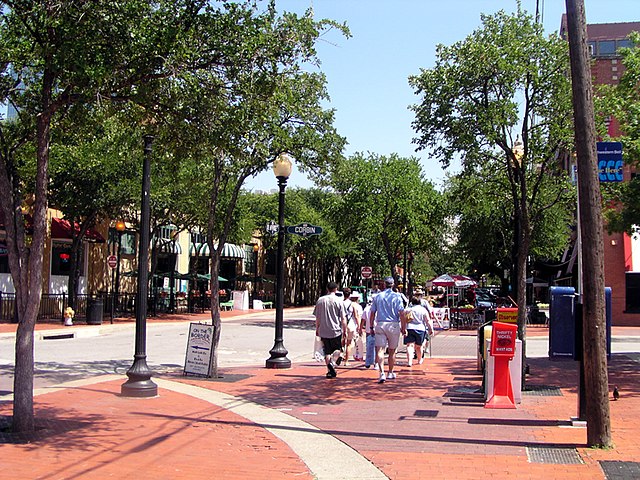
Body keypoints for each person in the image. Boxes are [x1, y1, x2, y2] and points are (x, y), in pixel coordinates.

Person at [370, 276, 404, 383]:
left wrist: (371, 326)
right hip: (393, 324)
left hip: (380, 323)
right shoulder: (397, 297)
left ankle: (382, 372)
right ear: (393, 284)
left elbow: (372, 313)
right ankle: (390, 371)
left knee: (380, 350)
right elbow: (402, 313)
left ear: (384, 284)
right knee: (392, 351)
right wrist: (404, 327)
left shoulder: (378, 297)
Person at [313, 281, 347, 378]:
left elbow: (317, 317)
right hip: (335, 330)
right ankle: (334, 362)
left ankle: (329, 370)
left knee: (327, 351)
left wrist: (317, 328)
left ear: (327, 289)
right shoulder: (339, 301)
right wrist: (345, 330)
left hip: (323, 330)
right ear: (336, 289)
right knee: (337, 349)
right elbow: (343, 318)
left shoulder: (320, 300)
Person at [402, 296, 434, 366]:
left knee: (409, 345)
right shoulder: (423, 310)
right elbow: (427, 320)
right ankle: (419, 360)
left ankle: (409, 361)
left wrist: (403, 328)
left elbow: (404, 320)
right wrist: (430, 329)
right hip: (420, 328)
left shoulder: (408, 310)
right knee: (419, 346)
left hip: (409, 328)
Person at [344, 290, 364, 363]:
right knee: (350, 343)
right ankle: (346, 360)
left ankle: (340, 355)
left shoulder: (343, 303)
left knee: (343, 342)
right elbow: (357, 316)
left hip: (342, 325)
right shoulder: (356, 306)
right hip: (352, 325)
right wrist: (360, 327)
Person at [360, 297, 376, 368]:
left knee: (368, 346)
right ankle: (376, 363)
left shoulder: (366, 309)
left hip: (368, 330)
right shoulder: (378, 309)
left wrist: (360, 328)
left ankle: (368, 362)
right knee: (377, 347)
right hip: (377, 330)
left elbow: (363, 320)